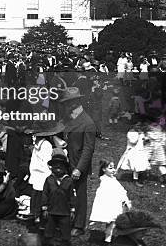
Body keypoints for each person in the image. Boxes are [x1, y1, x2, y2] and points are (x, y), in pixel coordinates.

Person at [59, 87, 96, 237]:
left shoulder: (88, 123)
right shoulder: (68, 119)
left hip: (78, 165)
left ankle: (79, 225)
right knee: (65, 192)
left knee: (80, 195)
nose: (66, 106)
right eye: (66, 103)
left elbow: (88, 149)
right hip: (67, 162)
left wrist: (79, 169)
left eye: (69, 103)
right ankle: (66, 220)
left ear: (76, 103)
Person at [89, 159, 132, 244]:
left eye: (114, 168)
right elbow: (108, 194)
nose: (113, 170)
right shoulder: (105, 180)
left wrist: (124, 199)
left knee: (112, 223)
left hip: (115, 204)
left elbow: (120, 190)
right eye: (110, 168)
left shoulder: (112, 179)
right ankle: (108, 240)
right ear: (104, 169)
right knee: (112, 223)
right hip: (110, 205)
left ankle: (108, 238)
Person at [41, 151, 76, 246]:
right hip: (51, 211)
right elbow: (45, 194)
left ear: (65, 168)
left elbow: (72, 196)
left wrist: (72, 209)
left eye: (61, 165)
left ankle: (65, 242)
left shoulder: (68, 181)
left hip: (64, 212)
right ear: (52, 167)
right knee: (48, 232)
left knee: (65, 233)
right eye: (55, 165)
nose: (58, 167)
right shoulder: (49, 180)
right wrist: (44, 208)